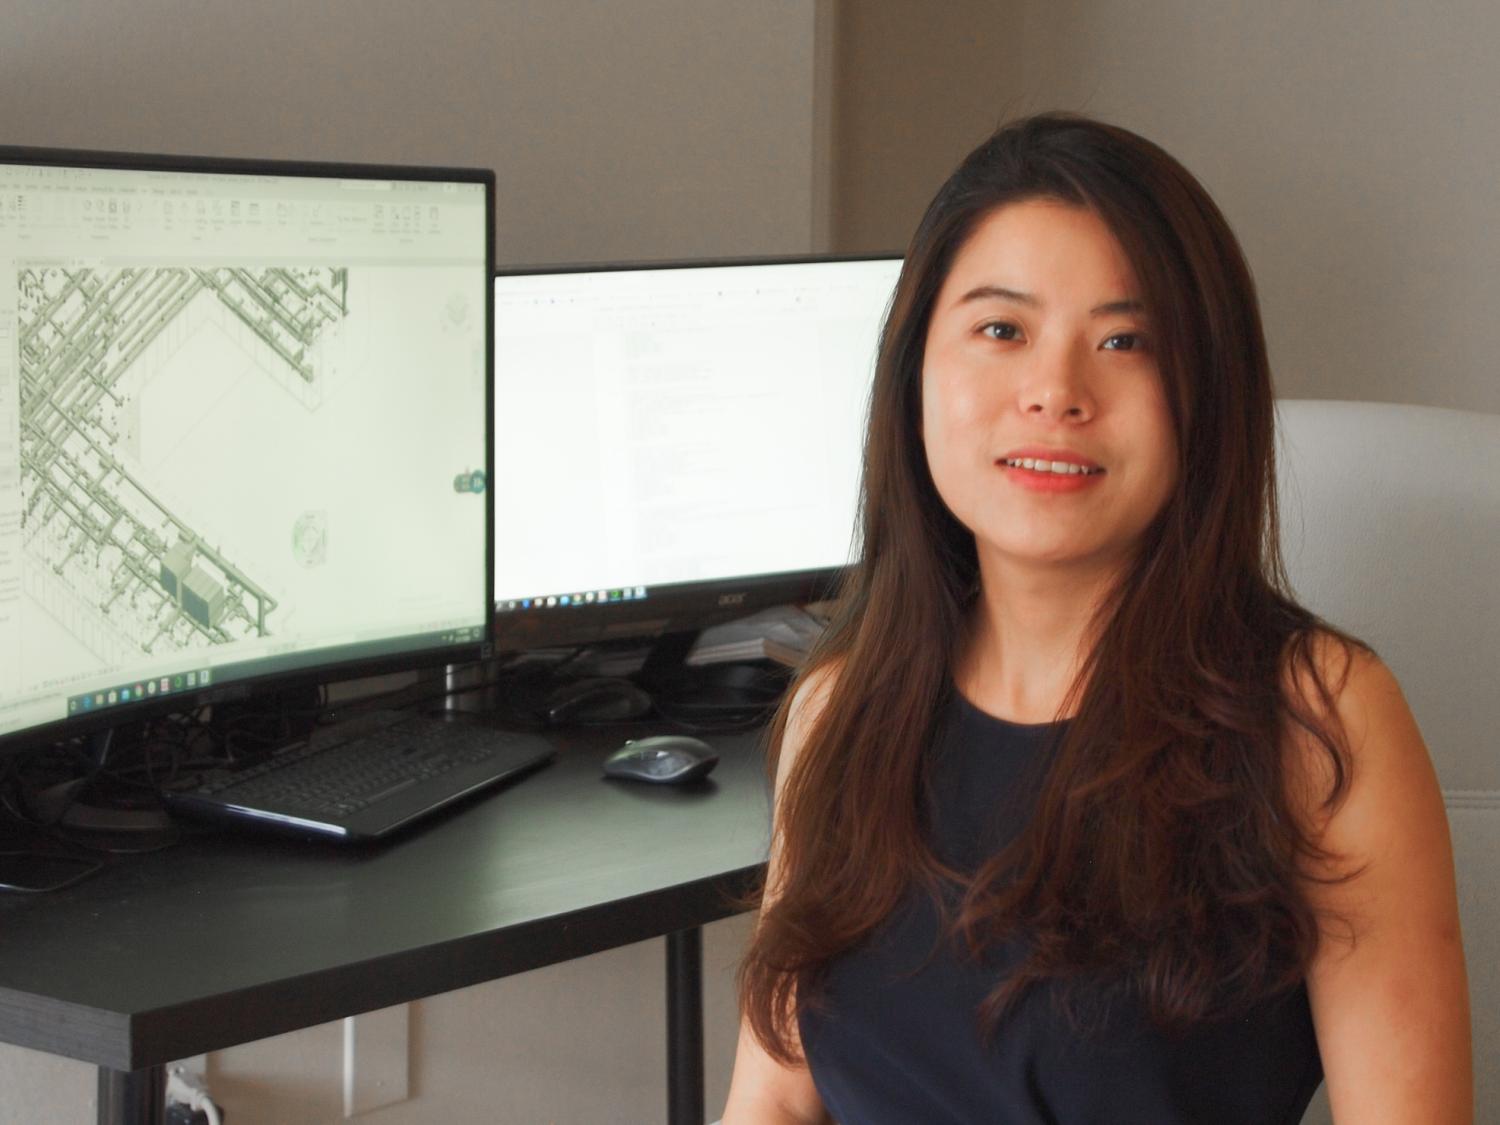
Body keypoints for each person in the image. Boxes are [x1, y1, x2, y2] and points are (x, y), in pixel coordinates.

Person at [721, 113, 1472, 1124]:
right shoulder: (839, 710)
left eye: (1126, 340)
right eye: (1001, 331)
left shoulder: (1316, 719)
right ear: (913, 376)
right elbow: (772, 1099)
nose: (1055, 392)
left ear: (1206, 393)